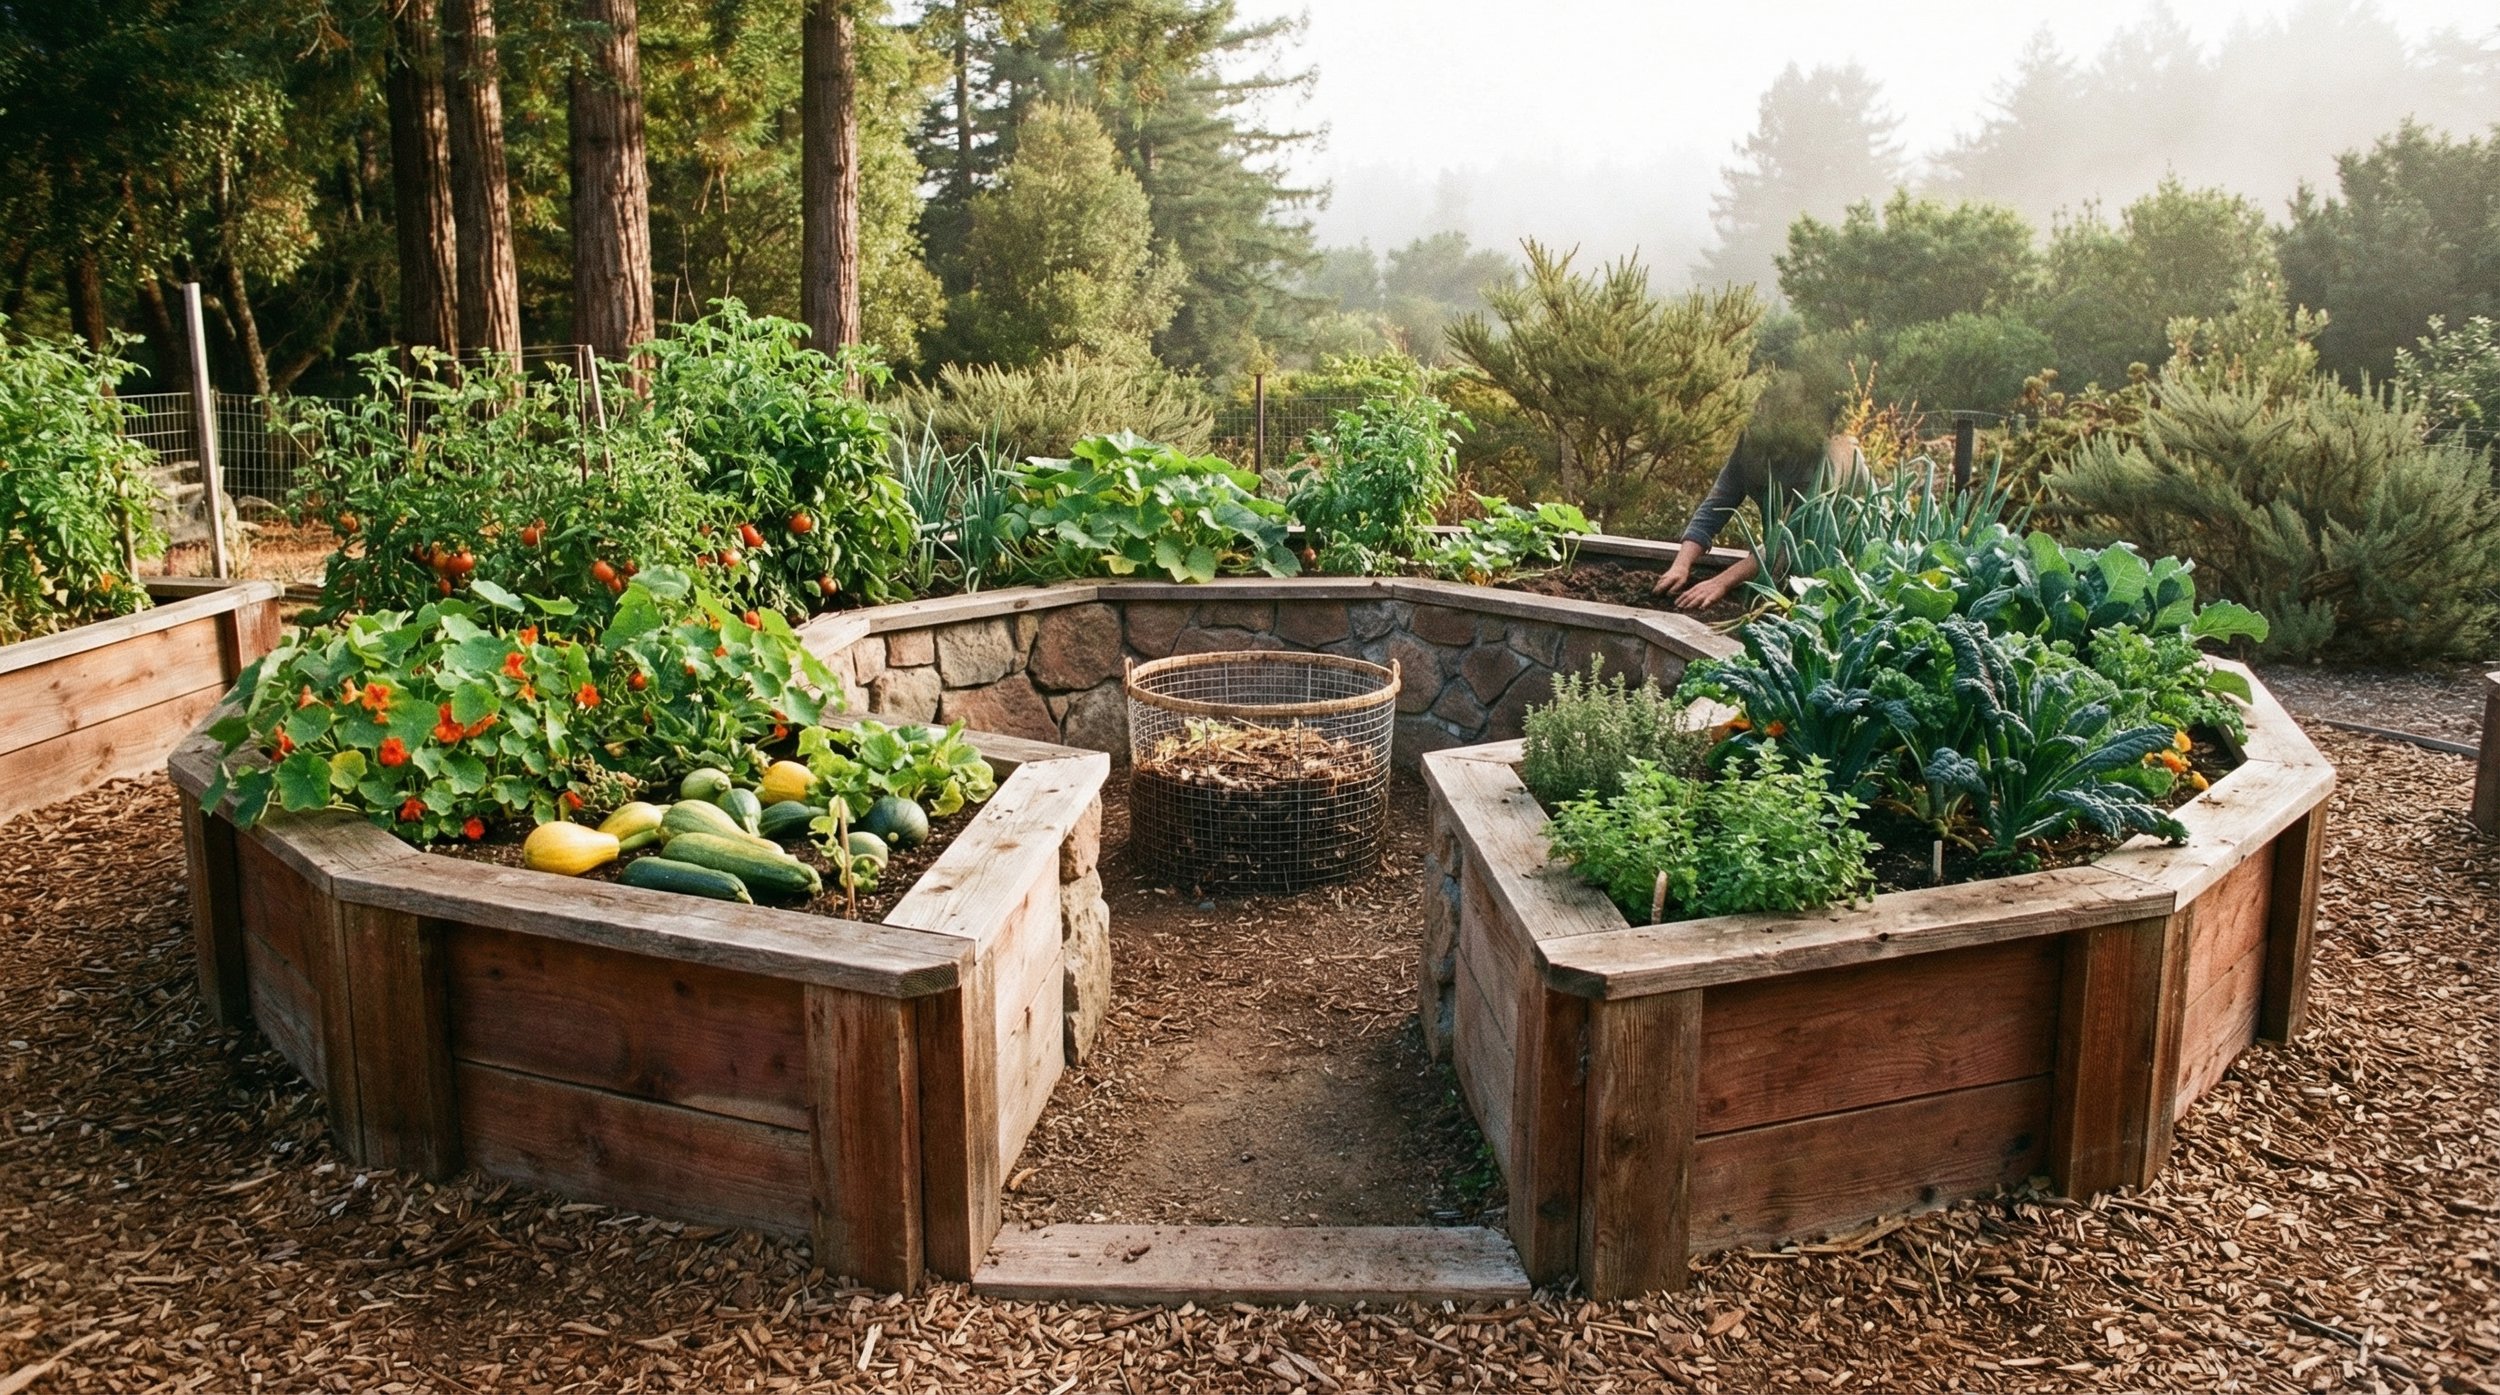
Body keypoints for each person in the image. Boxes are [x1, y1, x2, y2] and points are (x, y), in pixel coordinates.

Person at [1652, 412, 1868, 611]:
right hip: (1784, 557)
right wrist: (1680, 565)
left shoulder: (1824, 460)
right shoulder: (1750, 443)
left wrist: (1721, 582)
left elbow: (1789, 541)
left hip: (1841, 561)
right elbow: (1715, 506)